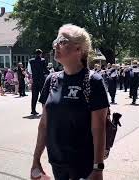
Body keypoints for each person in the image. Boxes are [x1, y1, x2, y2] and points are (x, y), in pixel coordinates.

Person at [31, 24, 109, 180]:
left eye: (62, 41)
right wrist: (35, 160)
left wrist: (98, 168)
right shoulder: (51, 80)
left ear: (78, 49)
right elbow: (44, 125)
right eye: (56, 40)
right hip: (57, 163)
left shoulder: (93, 81)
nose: (56, 45)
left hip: (84, 165)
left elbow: (98, 128)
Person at [28, 49, 49, 115]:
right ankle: (44, 110)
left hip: (35, 80)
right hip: (41, 80)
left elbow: (29, 71)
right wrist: (49, 72)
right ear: (40, 54)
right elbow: (45, 70)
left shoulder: (31, 61)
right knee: (43, 95)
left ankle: (33, 110)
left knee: (34, 96)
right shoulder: (43, 60)